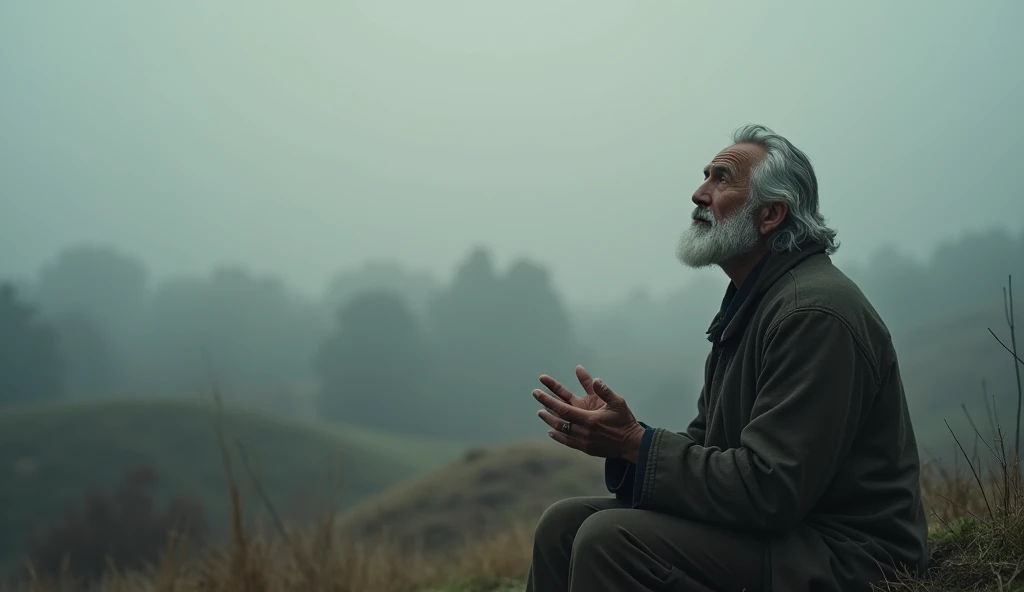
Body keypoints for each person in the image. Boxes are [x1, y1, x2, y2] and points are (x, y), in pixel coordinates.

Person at [526, 124, 929, 591]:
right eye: (705, 176)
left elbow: (772, 492)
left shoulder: (813, 314)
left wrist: (636, 443)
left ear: (770, 215)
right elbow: (710, 446)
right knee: (563, 526)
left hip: (850, 556)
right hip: (783, 534)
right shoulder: (754, 302)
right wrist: (626, 444)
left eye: (721, 179)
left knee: (607, 539)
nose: (699, 193)